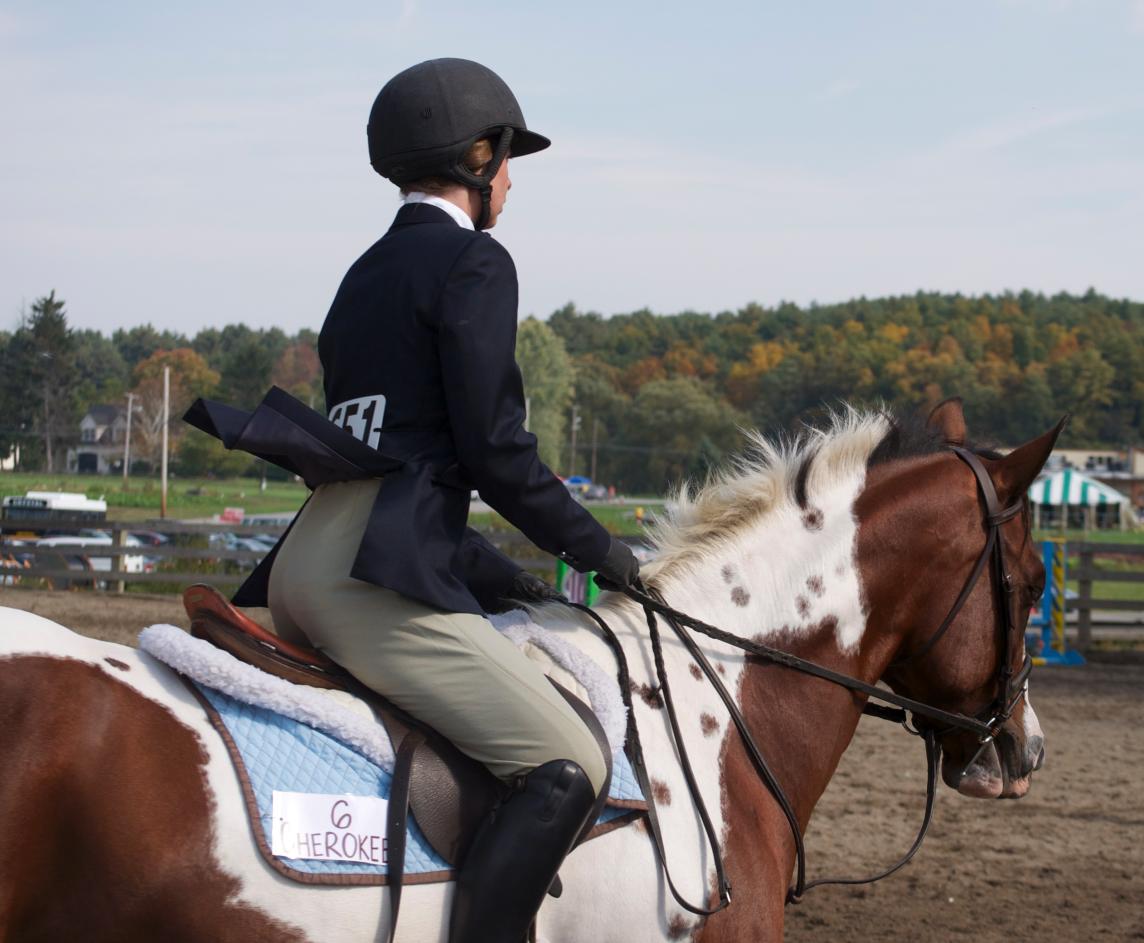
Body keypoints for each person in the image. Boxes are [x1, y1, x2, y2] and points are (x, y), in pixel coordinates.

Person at [261, 58, 639, 943]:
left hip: (304, 562)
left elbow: (399, 461)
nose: (512, 180)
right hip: (368, 585)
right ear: (476, 158)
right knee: (571, 757)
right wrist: (605, 554)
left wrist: (503, 578)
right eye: (507, 158)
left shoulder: (359, 276)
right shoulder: (476, 262)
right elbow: (496, 453)